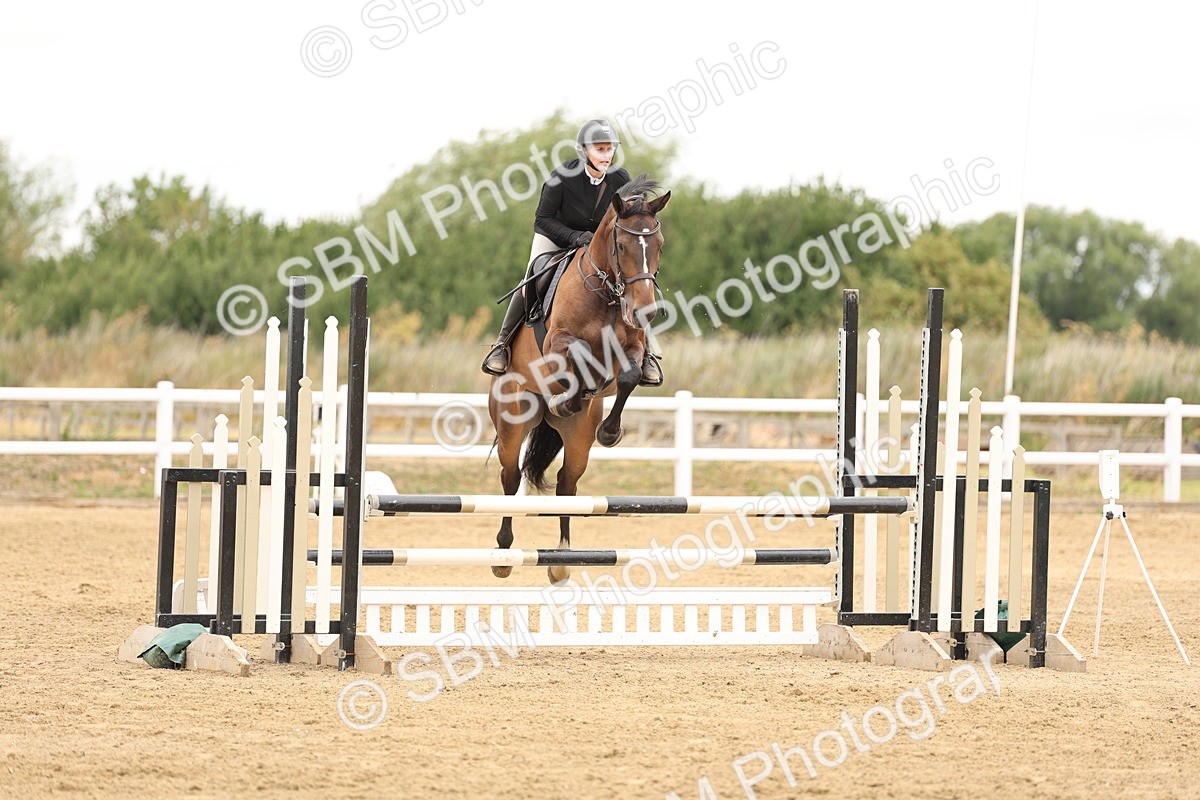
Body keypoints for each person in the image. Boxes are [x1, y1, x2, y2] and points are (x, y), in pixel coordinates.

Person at [481, 119, 663, 386]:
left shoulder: (620, 179)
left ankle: (647, 355)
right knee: (532, 274)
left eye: (610, 149)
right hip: (557, 236)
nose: (606, 155)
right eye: (600, 149)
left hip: (598, 245)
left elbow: (629, 220)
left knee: (636, 281)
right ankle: (502, 344)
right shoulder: (562, 177)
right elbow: (542, 219)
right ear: (584, 151)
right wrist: (575, 237)